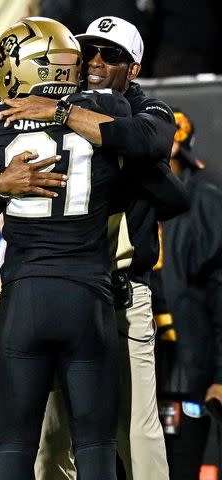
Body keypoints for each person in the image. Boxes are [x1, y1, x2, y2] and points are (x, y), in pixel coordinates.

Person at [0, 15, 189, 480]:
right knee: (49, 442)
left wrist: (68, 118)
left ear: (134, 68)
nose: (97, 63)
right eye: (89, 54)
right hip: (60, 286)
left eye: (113, 55)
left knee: (136, 435)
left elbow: (155, 145)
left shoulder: (146, 109)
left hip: (121, 292)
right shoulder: (44, 104)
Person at [0, 16, 135, 480]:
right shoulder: (109, 112)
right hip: (88, 296)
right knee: (96, 448)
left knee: (13, 449)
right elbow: (159, 183)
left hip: (24, 294)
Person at [151, 109, 222, 480]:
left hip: (188, 357)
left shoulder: (206, 204)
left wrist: (220, 374)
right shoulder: (129, 198)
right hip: (139, 355)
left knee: (183, 463)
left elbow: (219, 295)